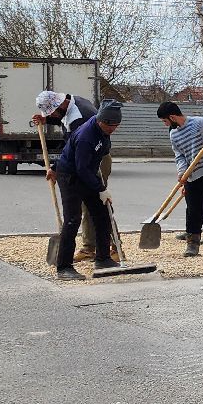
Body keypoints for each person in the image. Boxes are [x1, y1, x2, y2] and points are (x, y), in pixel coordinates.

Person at [35, 90, 109, 260]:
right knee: (92, 205)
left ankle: (100, 247)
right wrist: (47, 120)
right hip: (83, 155)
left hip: (94, 158)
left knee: (95, 203)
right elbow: (62, 119)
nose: (52, 114)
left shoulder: (79, 119)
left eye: (51, 112)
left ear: (60, 104)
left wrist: (56, 168)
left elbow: (72, 150)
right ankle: (96, 247)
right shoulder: (73, 102)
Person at [53, 101, 121, 281]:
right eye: (110, 126)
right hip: (70, 176)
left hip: (88, 173)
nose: (113, 129)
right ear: (101, 121)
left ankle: (103, 258)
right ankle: (64, 267)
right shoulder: (86, 136)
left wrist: (100, 189)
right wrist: (100, 188)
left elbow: (94, 162)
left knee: (102, 214)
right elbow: (81, 169)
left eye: (116, 126)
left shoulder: (103, 130)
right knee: (72, 219)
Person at [156, 101, 203, 256]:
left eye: (164, 121)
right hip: (192, 178)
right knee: (193, 212)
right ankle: (192, 245)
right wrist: (182, 172)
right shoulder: (173, 134)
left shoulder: (200, 123)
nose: (164, 124)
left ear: (172, 117)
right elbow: (179, 156)